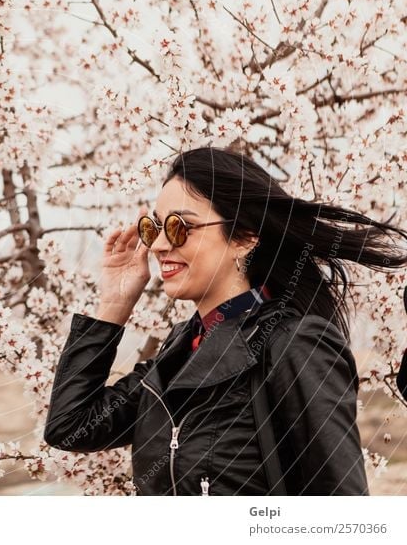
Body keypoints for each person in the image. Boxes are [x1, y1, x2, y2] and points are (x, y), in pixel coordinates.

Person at [43, 147, 407, 495]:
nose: (158, 246)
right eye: (154, 228)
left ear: (245, 238)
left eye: (180, 227)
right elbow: (72, 427)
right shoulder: (181, 352)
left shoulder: (293, 344)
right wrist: (114, 303)